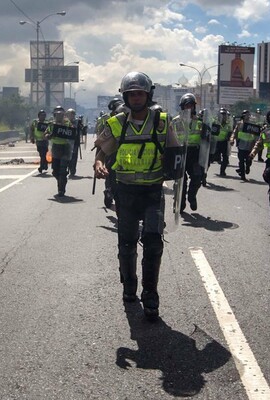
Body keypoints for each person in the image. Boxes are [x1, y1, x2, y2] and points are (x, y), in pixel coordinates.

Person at [93, 71, 178, 320]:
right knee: (127, 243)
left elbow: (175, 152)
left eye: (140, 93)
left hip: (153, 191)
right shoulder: (117, 123)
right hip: (126, 192)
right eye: (132, 94)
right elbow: (101, 149)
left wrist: (175, 167)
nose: (136, 98)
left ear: (148, 94)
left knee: (153, 242)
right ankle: (129, 285)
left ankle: (150, 294)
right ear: (126, 97)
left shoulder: (163, 122)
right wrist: (98, 164)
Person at [174, 93, 205, 211]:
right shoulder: (175, 121)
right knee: (181, 181)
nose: (189, 108)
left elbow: (206, 139)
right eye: (187, 106)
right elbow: (170, 137)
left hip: (194, 153)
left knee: (197, 177)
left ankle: (192, 197)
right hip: (180, 153)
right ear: (182, 107)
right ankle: (180, 202)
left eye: (191, 106)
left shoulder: (200, 122)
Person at [46, 106, 74, 197]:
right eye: (57, 115)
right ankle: (60, 180)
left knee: (62, 170)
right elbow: (45, 134)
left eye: (61, 114)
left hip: (65, 148)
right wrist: (49, 135)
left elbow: (73, 132)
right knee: (55, 171)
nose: (59, 116)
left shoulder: (67, 123)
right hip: (55, 148)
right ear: (54, 115)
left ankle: (61, 189)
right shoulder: (51, 124)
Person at [230, 110, 257, 181]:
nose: (248, 116)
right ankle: (242, 175)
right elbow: (234, 132)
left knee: (249, 160)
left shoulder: (252, 124)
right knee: (241, 161)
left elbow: (256, 133)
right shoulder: (239, 124)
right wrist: (232, 139)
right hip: (241, 145)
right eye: (246, 115)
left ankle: (247, 167)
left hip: (249, 145)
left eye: (249, 115)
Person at [210, 108, 232, 176]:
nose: (223, 116)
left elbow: (231, 132)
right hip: (215, 142)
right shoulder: (215, 122)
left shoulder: (228, 124)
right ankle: (204, 174)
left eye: (224, 114)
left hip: (224, 142)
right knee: (211, 158)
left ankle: (222, 171)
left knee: (225, 158)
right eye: (221, 114)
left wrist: (230, 137)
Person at [30, 110, 50, 174]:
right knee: (41, 154)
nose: (43, 117)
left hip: (45, 140)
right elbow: (32, 130)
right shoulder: (35, 122)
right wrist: (32, 137)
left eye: (44, 115)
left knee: (44, 153)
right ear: (39, 116)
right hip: (38, 141)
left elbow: (50, 130)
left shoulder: (47, 123)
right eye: (41, 115)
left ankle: (42, 166)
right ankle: (45, 163)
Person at [66, 108, 81, 177]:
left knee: (74, 157)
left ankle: (73, 169)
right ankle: (68, 167)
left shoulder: (77, 122)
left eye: (72, 114)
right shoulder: (64, 122)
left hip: (74, 142)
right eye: (69, 114)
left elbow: (81, 130)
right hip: (66, 142)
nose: (71, 116)